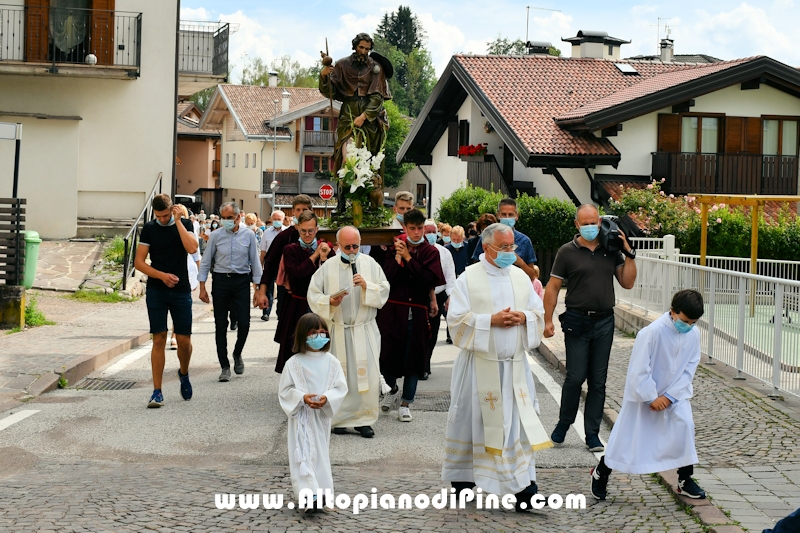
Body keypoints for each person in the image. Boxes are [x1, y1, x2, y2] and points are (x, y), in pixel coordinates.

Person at [443, 223, 551, 512]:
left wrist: (524, 317)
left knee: (516, 428)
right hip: (479, 368)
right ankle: (464, 482)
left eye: (512, 247)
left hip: (514, 367)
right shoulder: (468, 278)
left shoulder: (520, 277)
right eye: (503, 247)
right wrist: (489, 320)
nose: (509, 253)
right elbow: (456, 320)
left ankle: (525, 490)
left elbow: (538, 312)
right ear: (487, 246)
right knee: (473, 422)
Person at [591, 290, 707, 501]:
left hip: (675, 395)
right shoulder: (651, 333)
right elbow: (639, 369)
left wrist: (670, 396)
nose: (688, 326)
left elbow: (690, 367)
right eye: (685, 321)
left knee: (685, 427)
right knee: (628, 438)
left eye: (693, 322)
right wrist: (651, 397)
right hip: (645, 397)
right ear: (673, 312)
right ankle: (601, 472)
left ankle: (685, 478)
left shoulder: (694, 334)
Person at [544, 203, 637, 452]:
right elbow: (552, 287)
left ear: (600, 222)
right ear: (577, 224)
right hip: (576, 320)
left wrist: (629, 252)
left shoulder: (611, 250)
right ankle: (564, 424)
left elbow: (627, 282)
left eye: (593, 222)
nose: (589, 227)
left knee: (598, 381)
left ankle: (592, 434)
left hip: (604, 322)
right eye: (584, 223)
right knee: (575, 377)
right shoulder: (566, 252)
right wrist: (548, 320)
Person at [307, 226, 390, 438]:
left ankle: (364, 420)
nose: (352, 251)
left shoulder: (370, 264)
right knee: (339, 377)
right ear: (338, 246)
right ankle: (338, 419)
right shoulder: (328, 267)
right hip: (339, 330)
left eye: (355, 246)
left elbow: (384, 289)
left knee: (366, 376)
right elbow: (313, 294)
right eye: (347, 247)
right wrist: (329, 301)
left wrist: (367, 286)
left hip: (364, 329)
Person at [377, 208, 445, 422]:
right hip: (393, 311)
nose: (417, 232)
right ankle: (392, 390)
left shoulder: (430, 251)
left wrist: (408, 258)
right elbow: (387, 279)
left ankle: (406, 403)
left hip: (416, 310)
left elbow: (428, 279)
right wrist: (398, 259)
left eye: (420, 228)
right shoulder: (393, 247)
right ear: (404, 228)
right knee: (387, 355)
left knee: (414, 358)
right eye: (412, 228)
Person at [278, 313, 348, 513]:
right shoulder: (293, 363)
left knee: (320, 454)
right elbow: (284, 391)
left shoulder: (332, 362)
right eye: (313, 333)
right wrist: (301, 398)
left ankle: (321, 493)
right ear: (303, 336)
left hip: (321, 417)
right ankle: (309, 496)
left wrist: (327, 398)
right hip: (301, 418)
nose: (319, 336)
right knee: (302, 455)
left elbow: (340, 388)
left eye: (322, 332)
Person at [134, 194, 198, 408]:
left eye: (165, 215)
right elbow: (139, 263)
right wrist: (161, 275)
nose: (162, 219)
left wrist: (178, 221)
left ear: (173, 210)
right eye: (158, 216)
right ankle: (157, 391)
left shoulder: (185, 223)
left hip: (181, 290)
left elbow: (192, 249)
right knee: (159, 338)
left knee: (184, 341)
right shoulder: (150, 228)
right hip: (157, 290)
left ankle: (184, 373)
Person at [320, 32, 392, 212]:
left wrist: (365, 116)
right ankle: (342, 203)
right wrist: (324, 76)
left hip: (371, 118)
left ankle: (372, 205)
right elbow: (331, 92)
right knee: (347, 158)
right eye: (361, 47)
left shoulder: (376, 67)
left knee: (370, 159)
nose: (364, 52)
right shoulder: (343, 64)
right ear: (355, 46)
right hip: (348, 115)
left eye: (368, 49)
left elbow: (377, 96)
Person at [197, 202, 262, 382]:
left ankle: (237, 352)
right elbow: (206, 262)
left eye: (229, 218)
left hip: (241, 281)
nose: (226, 221)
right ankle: (224, 365)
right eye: (223, 218)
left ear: (238, 217)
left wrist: (257, 290)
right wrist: (202, 288)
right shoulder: (216, 236)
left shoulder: (249, 235)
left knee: (244, 322)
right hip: (220, 281)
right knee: (220, 325)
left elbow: (255, 263)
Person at [274, 210, 334, 373]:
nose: (307, 235)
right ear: (298, 229)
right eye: (303, 231)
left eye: (311, 231)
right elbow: (296, 274)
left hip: (319, 305)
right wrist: (314, 256)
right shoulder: (290, 249)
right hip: (298, 304)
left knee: (321, 345)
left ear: (316, 229)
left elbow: (331, 276)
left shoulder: (326, 248)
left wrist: (324, 259)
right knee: (297, 345)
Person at [255, 195, 313, 320]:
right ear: (293, 212)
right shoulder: (284, 237)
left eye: (305, 210)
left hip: (312, 292)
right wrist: (262, 291)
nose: (301, 213)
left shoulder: (318, 236)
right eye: (298, 210)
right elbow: (270, 264)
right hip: (288, 292)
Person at [470, 198, 538, 280]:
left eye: (510, 215)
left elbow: (532, 276)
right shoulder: (486, 237)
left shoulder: (524, 241)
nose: (507, 218)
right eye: (504, 214)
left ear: (516, 216)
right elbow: (476, 267)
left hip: (515, 288)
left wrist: (520, 262)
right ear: (498, 215)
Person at [422, 219, 456, 380]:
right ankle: (420, 364)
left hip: (440, 294)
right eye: (426, 231)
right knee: (419, 331)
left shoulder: (444, 252)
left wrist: (450, 297)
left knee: (433, 332)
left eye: (432, 232)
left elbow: (450, 277)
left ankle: (426, 363)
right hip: (420, 296)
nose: (430, 235)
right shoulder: (416, 250)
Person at [259, 210, 286, 321]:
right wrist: (260, 266)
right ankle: (266, 312)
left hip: (283, 266)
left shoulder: (287, 233)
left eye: (279, 219)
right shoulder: (267, 233)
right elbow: (263, 252)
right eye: (274, 219)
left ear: (283, 220)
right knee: (268, 289)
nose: (276, 221)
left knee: (282, 290)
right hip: (270, 264)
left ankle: (280, 312)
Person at [444, 225, 469, 344]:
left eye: (458, 240)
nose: (456, 242)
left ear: (463, 238)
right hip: (451, 281)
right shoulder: (446, 249)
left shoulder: (468, 248)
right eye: (454, 240)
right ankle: (450, 334)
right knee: (451, 309)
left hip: (465, 280)